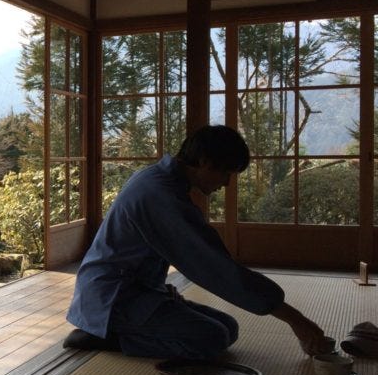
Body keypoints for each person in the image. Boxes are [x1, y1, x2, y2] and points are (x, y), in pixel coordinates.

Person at [64, 124, 329, 359]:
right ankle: (108, 337)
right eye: (226, 173)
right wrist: (297, 320)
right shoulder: (160, 195)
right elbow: (213, 268)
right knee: (211, 338)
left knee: (228, 327)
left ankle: (120, 328)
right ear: (204, 161)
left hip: (135, 291)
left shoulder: (160, 179)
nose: (226, 183)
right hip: (113, 299)